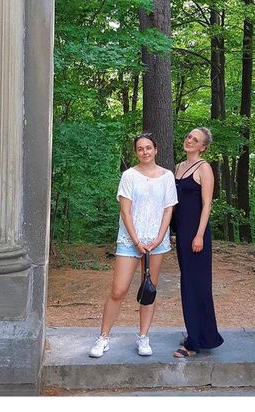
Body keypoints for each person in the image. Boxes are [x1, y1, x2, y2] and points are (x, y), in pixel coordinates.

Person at [89, 132, 178, 358]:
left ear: (156, 149)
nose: (145, 152)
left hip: (156, 242)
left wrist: (158, 238)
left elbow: (169, 209)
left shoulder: (167, 176)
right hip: (131, 241)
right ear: (135, 152)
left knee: (149, 289)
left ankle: (143, 337)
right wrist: (137, 240)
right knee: (118, 290)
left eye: (149, 147)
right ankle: (103, 337)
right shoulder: (129, 176)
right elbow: (125, 211)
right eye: (140, 149)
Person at [171, 127, 224, 357]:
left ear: (203, 147)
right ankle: (200, 334)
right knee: (188, 284)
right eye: (189, 136)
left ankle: (194, 343)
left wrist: (200, 235)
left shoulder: (204, 168)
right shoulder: (178, 168)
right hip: (182, 234)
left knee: (197, 286)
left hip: (197, 236)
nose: (189, 140)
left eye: (195, 139)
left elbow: (207, 205)